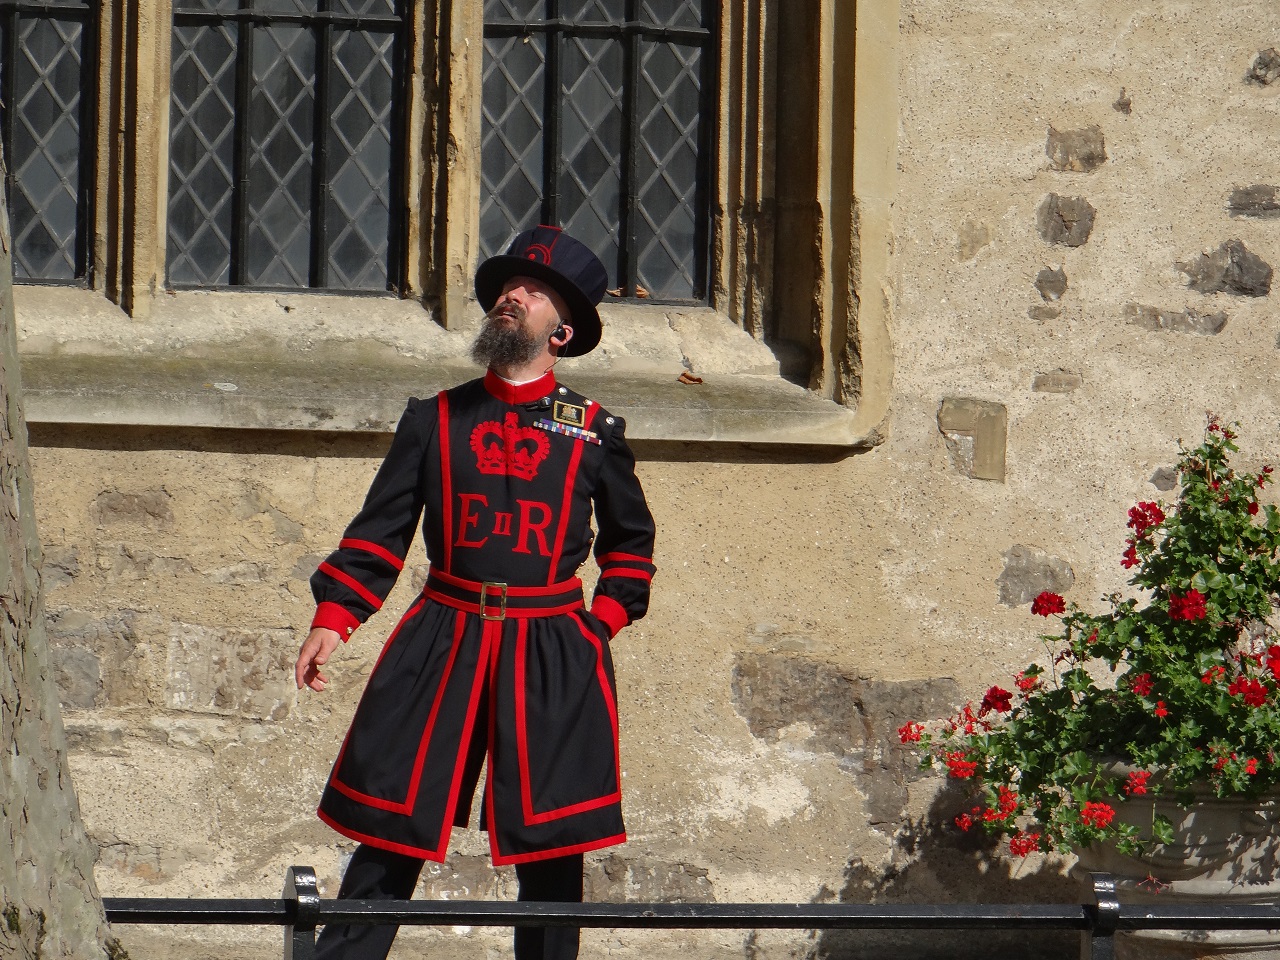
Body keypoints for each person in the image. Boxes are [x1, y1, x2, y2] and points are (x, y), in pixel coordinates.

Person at [293, 224, 656, 960]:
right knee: (390, 827)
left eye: (534, 292)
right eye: (509, 286)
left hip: (554, 647)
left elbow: (632, 547)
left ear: (562, 332)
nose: (511, 296)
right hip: (443, 632)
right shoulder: (433, 417)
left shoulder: (595, 432)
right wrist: (335, 616)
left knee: (552, 849)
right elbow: (381, 530)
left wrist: (599, 625)